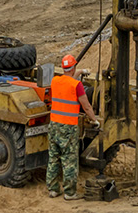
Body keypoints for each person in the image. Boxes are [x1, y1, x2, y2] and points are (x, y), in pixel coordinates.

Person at [47, 54, 101, 200]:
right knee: (69, 160)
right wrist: (94, 120)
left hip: (54, 124)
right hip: (68, 127)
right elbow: (87, 106)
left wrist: (81, 72)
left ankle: (53, 190)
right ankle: (70, 193)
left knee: (53, 157)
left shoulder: (55, 81)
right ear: (73, 67)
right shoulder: (77, 86)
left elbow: (69, 80)